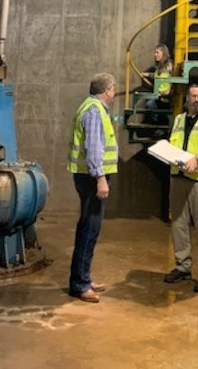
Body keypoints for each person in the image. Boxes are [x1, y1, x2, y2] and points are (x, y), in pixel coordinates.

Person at [67, 72, 118, 303]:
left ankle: (84, 277)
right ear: (107, 90)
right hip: (92, 178)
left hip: (88, 177)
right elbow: (94, 147)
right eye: (113, 89)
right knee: (89, 229)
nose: (115, 93)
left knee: (88, 227)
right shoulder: (95, 111)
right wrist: (100, 178)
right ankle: (80, 284)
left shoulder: (90, 107)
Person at [164, 84, 198, 293]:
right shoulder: (178, 120)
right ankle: (183, 267)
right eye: (193, 96)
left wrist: (196, 159)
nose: (196, 100)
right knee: (178, 223)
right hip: (178, 179)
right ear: (187, 98)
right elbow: (172, 144)